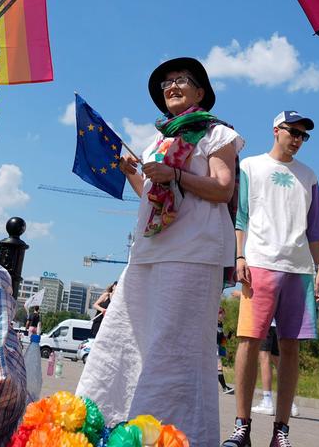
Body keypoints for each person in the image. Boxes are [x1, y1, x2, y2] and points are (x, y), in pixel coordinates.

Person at [77, 57, 243, 447]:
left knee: (176, 346)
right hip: (150, 250)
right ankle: (113, 427)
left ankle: (174, 436)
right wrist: (132, 171)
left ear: (200, 92)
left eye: (181, 80)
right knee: (126, 338)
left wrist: (177, 175)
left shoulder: (218, 134)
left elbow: (222, 188)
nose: (172, 86)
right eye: (166, 83)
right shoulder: (159, 141)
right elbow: (152, 199)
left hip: (193, 251)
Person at [224, 110, 319, 447]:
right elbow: (241, 216)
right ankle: (242, 427)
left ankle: (280, 432)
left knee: (289, 347)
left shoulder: (310, 176)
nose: (297, 140)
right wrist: (240, 256)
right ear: (276, 130)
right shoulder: (251, 167)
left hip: (299, 270)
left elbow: (315, 229)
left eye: (303, 136)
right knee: (249, 341)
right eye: (293, 132)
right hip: (259, 264)